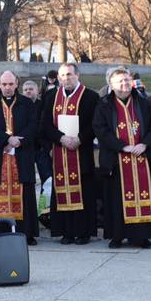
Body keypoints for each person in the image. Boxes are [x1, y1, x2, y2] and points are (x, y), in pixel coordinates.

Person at [92, 67, 151, 249]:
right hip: (116, 160)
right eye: (120, 81)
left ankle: (142, 237)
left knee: (143, 196)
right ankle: (117, 236)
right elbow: (100, 130)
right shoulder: (104, 104)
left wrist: (144, 144)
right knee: (116, 199)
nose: (125, 84)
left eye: (127, 81)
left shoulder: (144, 103)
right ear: (111, 85)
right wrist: (123, 146)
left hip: (142, 158)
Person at [42, 63, 100, 245]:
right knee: (61, 192)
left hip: (81, 152)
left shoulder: (91, 96)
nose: (66, 79)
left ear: (78, 75)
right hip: (59, 151)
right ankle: (65, 232)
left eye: (69, 74)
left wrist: (80, 139)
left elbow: (95, 124)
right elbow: (44, 124)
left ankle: (83, 232)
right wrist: (61, 139)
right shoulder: (51, 96)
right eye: (62, 76)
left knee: (85, 191)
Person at [0, 71, 40, 245]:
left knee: (25, 192)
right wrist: (6, 139)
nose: (7, 88)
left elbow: (33, 125)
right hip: (0, 156)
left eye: (10, 84)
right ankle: (1, 231)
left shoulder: (27, 104)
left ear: (16, 83)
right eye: (4, 84)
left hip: (21, 155)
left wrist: (18, 141)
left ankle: (26, 233)